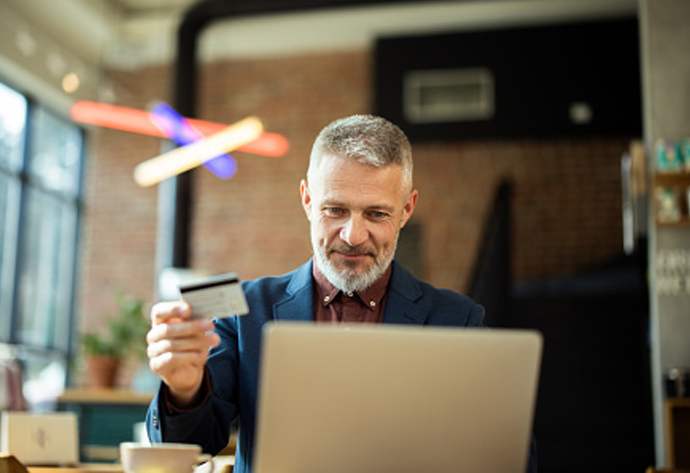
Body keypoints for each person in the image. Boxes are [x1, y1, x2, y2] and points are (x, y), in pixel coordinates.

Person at [145, 114, 536, 473]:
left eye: (377, 214)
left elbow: (512, 458)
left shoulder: (458, 321)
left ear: (406, 209)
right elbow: (187, 446)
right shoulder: (245, 311)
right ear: (308, 200)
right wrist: (183, 389)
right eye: (335, 210)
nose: (353, 236)